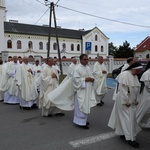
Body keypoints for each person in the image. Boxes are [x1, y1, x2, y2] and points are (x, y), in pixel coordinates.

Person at [108, 62, 143, 148]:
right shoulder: (124, 74)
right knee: (128, 120)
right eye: (138, 70)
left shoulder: (134, 76)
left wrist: (137, 99)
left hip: (132, 101)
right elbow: (122, 90)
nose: (138, 72)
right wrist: (125, 101)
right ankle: (131, 139)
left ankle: (123, 133)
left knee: (127, 119)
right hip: (125, 102)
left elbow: (136, 89)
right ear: (134, 69)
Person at [73, 54, 96, 129]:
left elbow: (92, 76)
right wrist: (85, 79)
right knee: (81, 105)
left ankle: (84, 120)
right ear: (80, 60)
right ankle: (80, 122)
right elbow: (75, 80)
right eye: (85, 59)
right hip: (81, 91)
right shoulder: (77, 68)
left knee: (86, 105)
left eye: (87, 59)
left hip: (87, 90)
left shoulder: (88, 68)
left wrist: (92, 79)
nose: (86, 61)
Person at [136, 61, 150, 127]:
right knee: (142, 110)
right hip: (147, 95)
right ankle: (135, 123)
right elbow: (148, 86)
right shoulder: (147, 73)